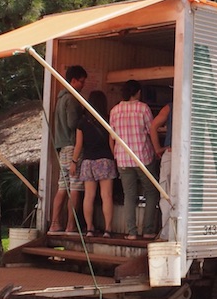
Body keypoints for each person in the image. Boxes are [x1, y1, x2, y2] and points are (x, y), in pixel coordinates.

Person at [109, 79, 159, 240]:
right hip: (143, 156)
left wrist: (116, 155)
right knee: (151, 192)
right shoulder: (143, 108)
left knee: (129, 195)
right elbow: (152, 130)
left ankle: (131, 232)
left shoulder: (115, 111)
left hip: (123, 159)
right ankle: (148, 230)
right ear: (137, 92)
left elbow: (112, 137)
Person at [70, 90, 117, 237]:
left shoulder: (82, 122)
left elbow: (79, 145)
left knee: (88, 196)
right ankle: (108, 230)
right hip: (105, 160)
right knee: (106, 196)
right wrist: (116, 160)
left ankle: (89, 229)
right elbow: (111, 143)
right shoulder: (108, 120)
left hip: (88, 162)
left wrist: (73, 162)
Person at [49, 65, 87, 233]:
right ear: (73, 80)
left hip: (62, 147)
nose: (83, 85)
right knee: (75, 187)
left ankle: (55, 223)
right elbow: (73, 123)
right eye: (82, 81)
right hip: (73, 147)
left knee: (62, 187)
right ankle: (71, 225)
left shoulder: (60, 98)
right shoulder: (72, 98)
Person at [149, 100, 174, 240]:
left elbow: (153, 127)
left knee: (166, 195)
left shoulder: (170, 107)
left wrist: (158, 148)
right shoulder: (202, 104)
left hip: (171, 152)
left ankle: (166, 234)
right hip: (193, 155)